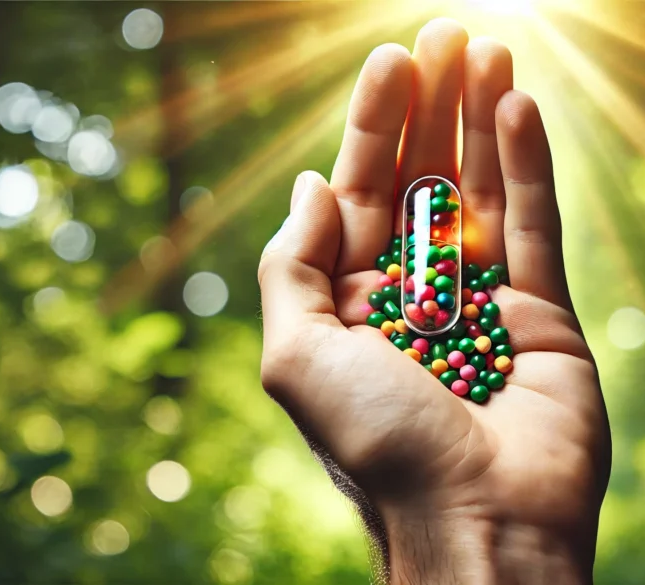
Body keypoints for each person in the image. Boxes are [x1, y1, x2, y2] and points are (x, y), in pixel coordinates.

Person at [258, 17, 611, 584]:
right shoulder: (436, 314)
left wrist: (462, 529)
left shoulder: (478, 327)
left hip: (472, 354)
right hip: (463, 356)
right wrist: (456, 516)